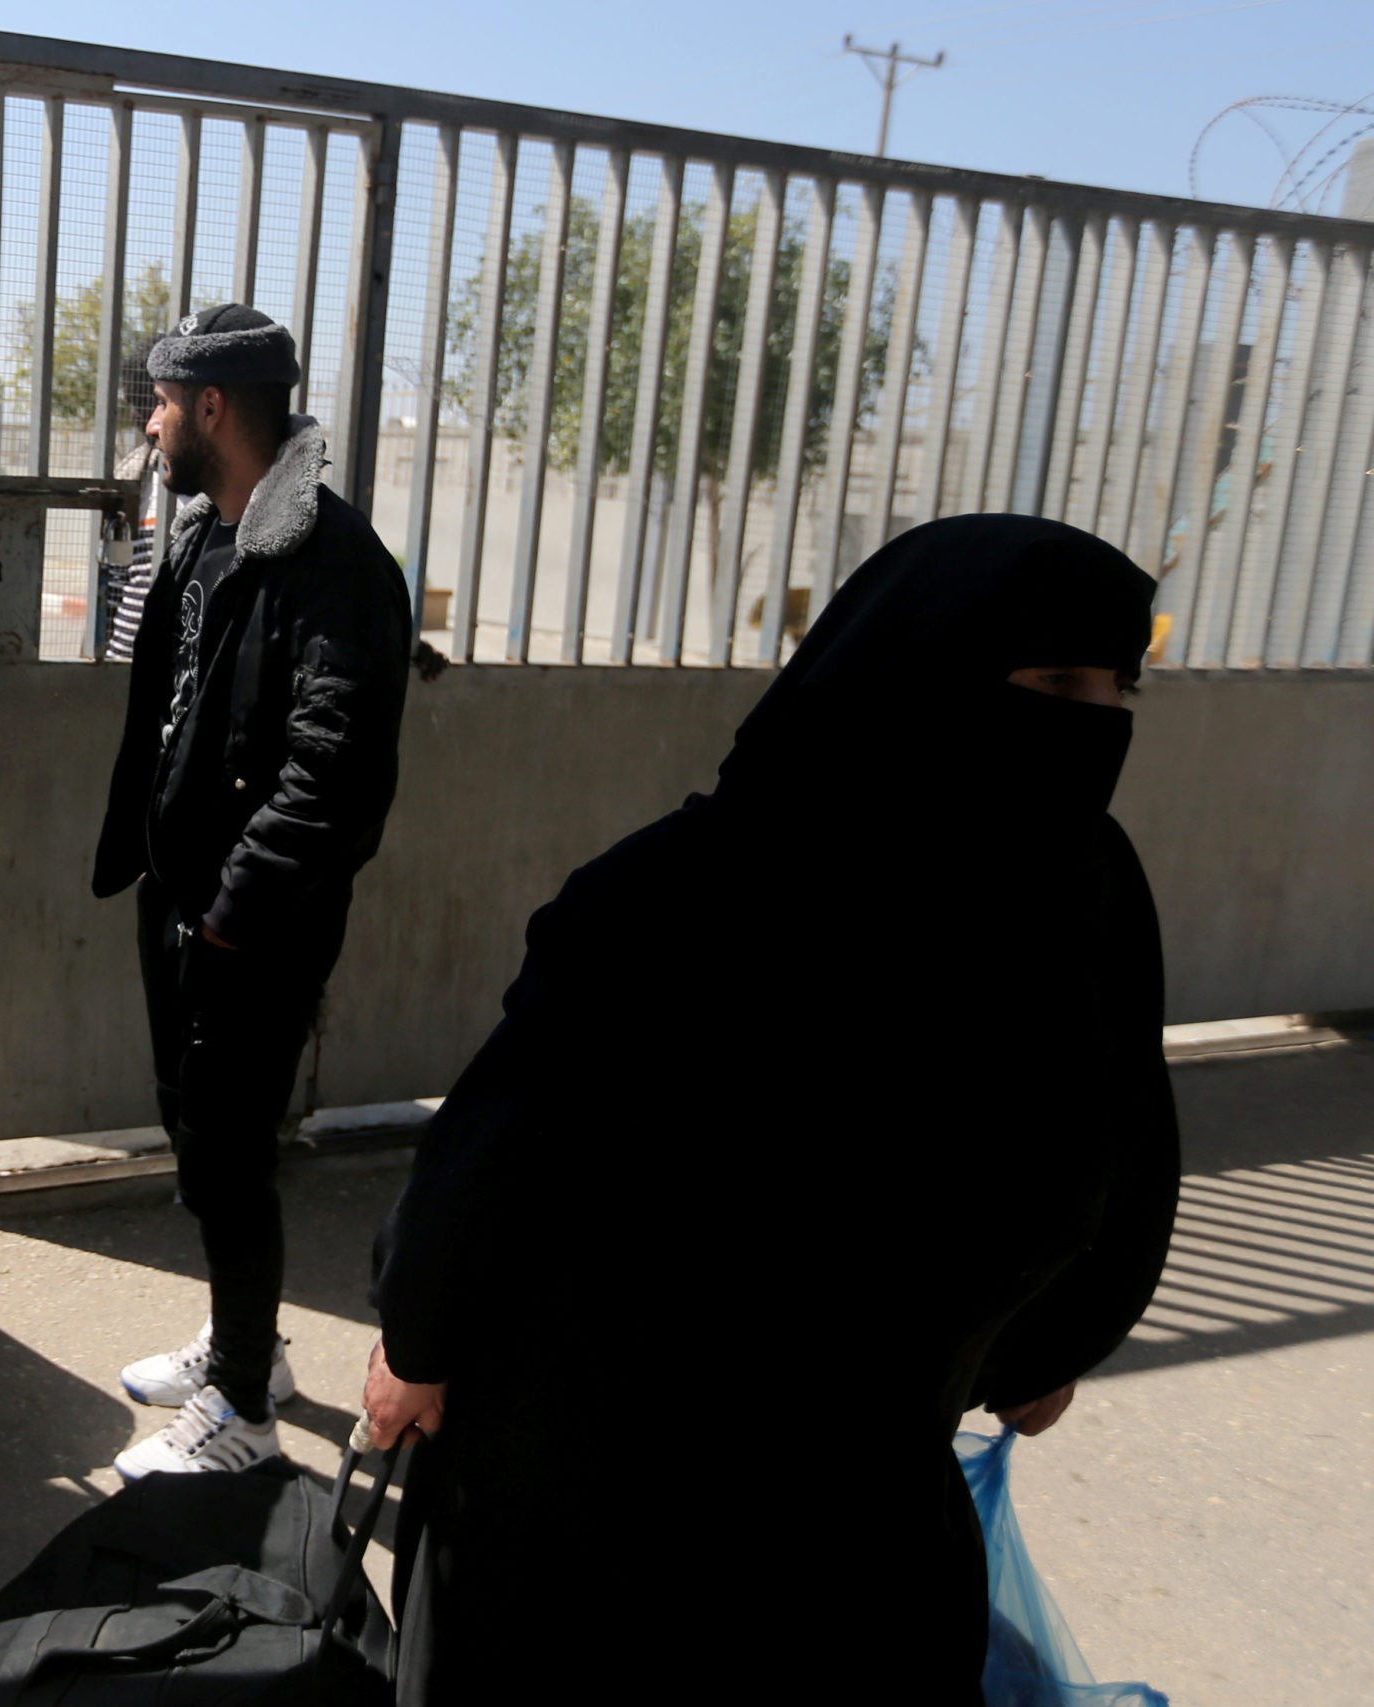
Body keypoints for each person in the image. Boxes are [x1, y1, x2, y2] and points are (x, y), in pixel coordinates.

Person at [361, 515, 1181, 1703]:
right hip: (629, 1494)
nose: (1095, 719)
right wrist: (423, 1337)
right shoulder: (689, 896)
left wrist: (1053, 1341)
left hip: (774, 1520)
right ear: (920, 664)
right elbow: (511, 1148)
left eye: (1118, 687)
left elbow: (1117, 1143)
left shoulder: (1081, 893)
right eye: (1057, 681)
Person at [92, 304, 413, 1478]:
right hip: (180, 901)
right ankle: (249, 1345)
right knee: (198, 1141)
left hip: (249, 924)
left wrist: (235, 912)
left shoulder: (334, 561)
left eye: (161, 403)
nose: (150, 424)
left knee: (229, 1154)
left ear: (212, 407)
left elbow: (335, 771)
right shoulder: (203, 535)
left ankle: (241, 1413)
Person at [101, 334, 164, 663]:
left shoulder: (204, 483)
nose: (137, 418)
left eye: (141, 403)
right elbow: (119, 575)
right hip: (123, 662)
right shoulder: (136, 472)